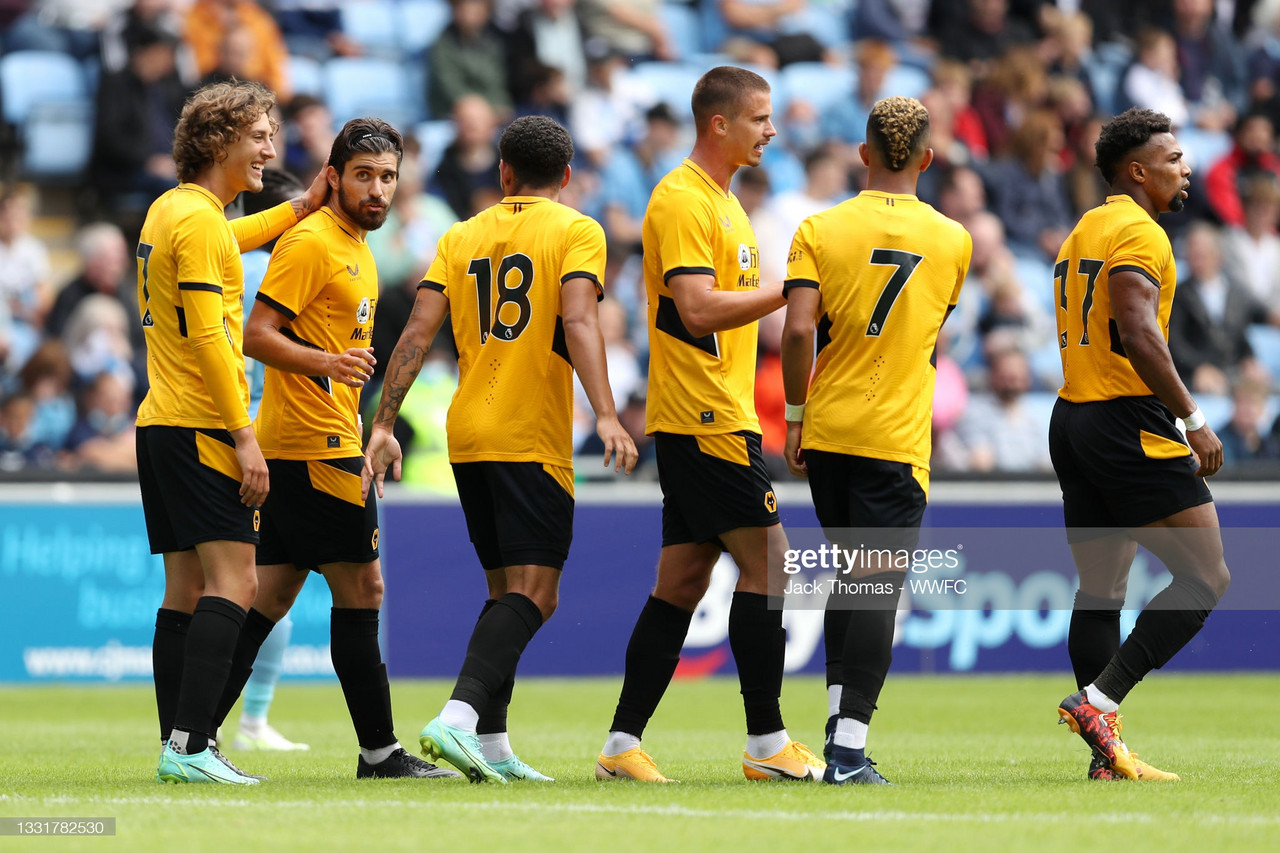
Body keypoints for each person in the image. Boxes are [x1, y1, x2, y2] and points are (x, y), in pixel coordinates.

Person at [363, 115, 637, 783]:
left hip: (468, 430)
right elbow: (578, 318)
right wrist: (606, 412)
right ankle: (457, 716)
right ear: (567, 177)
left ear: (504, 172)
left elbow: (416, 333)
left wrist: (383, 422)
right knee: (538, 594)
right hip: (529, 432)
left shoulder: (460, 234)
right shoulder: (577, 230)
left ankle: (491, 740)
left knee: (502, 590)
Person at [595, 66, 824, 785]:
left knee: (682, 582)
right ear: (718, 123)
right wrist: (783, 293)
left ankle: (620, 745)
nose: (772, 129)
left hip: (711, 413)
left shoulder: (727, 205)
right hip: (705, 415)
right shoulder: (680, 200)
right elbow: (694, 309)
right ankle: (766, 741)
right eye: (759, 117)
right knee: (772, 564)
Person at [214, 118, 458, 780]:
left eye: (387, 178)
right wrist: (329, 363)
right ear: (332, 176)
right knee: (363, 588)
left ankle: (192, 736)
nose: (377, 189)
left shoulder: (358, 245)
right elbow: (257, 334)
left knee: (270, 595)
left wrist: (370, 426)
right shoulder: (313, 242)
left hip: (309, 444)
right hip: (316, 451)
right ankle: (379, 751)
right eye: (363, 175)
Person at [780, 96, 971, 785]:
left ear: (862, 154)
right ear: (926, 159)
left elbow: (799, 330)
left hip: (828, 429)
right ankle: (848, 752)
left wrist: (796, 413)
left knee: (851, 576)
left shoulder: (819, 226)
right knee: (876, 586)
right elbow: (927, 331)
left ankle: (838, 727)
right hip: (894, 434)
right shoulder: (953, 238)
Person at [142, 80, 326, 785]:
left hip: (163, 423)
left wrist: (299, 205)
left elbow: (231, 239)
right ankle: (192, 744)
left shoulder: (178, 210)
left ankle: (179, 745)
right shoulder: (197, 223)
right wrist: (243, 434)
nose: (270, 149)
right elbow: (209, 340)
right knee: (237, 581)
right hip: (202, 425)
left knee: (184, 590)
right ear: (218, 141)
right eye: (258, 137)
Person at [1049, 107, 1230, 782]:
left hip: (1073, 417)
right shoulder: (1137, 231)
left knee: (1102, 586)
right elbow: (1136, 327)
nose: (1185, 167)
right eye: (1174, 157)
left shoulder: (1084, 230)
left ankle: (1106, 756)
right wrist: (1192, 416)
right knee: (1207, 574)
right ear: (1138, 170)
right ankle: (1097, 702)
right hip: (1127, 421)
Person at [227, 167, 308, 753]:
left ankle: (188, 723)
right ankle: (252, 718)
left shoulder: (218, 261)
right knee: (271, 583)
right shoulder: (284, 269)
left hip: (212, 431)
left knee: (207, 587)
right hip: (272, 436)